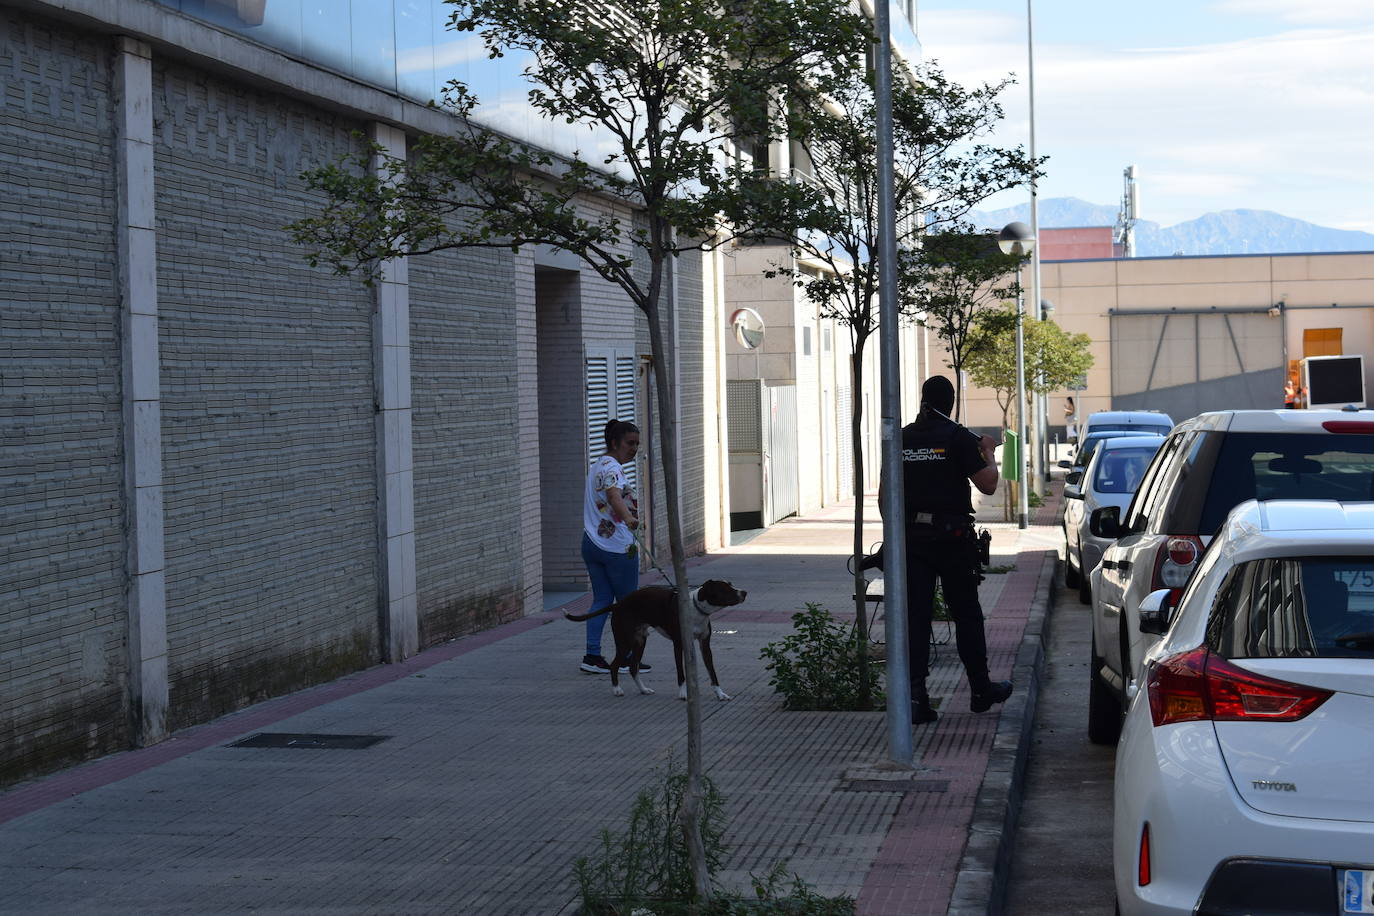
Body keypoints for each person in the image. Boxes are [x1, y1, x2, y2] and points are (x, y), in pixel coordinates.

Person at [890, 376, 1013, 724]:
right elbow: (988, 485)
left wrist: (900, 534)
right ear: (952, 402)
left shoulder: (903, 438)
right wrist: (989, 452)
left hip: (913, 540)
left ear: (923, 400)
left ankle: (916, 698)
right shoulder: (958, 437)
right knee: (967, 616)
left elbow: (887, 494)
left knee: (916, 617)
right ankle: (979, 689)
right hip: (952, 538)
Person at [579, 419, 650, 675]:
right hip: (617, 548)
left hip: (591, 543)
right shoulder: (614, 469)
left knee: (601, 600)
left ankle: (592, 656)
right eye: (630, 443)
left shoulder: (598, 464)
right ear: (614, 443)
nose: (634, 449)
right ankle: (629, 657)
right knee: (629, 604)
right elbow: (613, 495)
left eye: (637, 444)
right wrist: (629, 518)